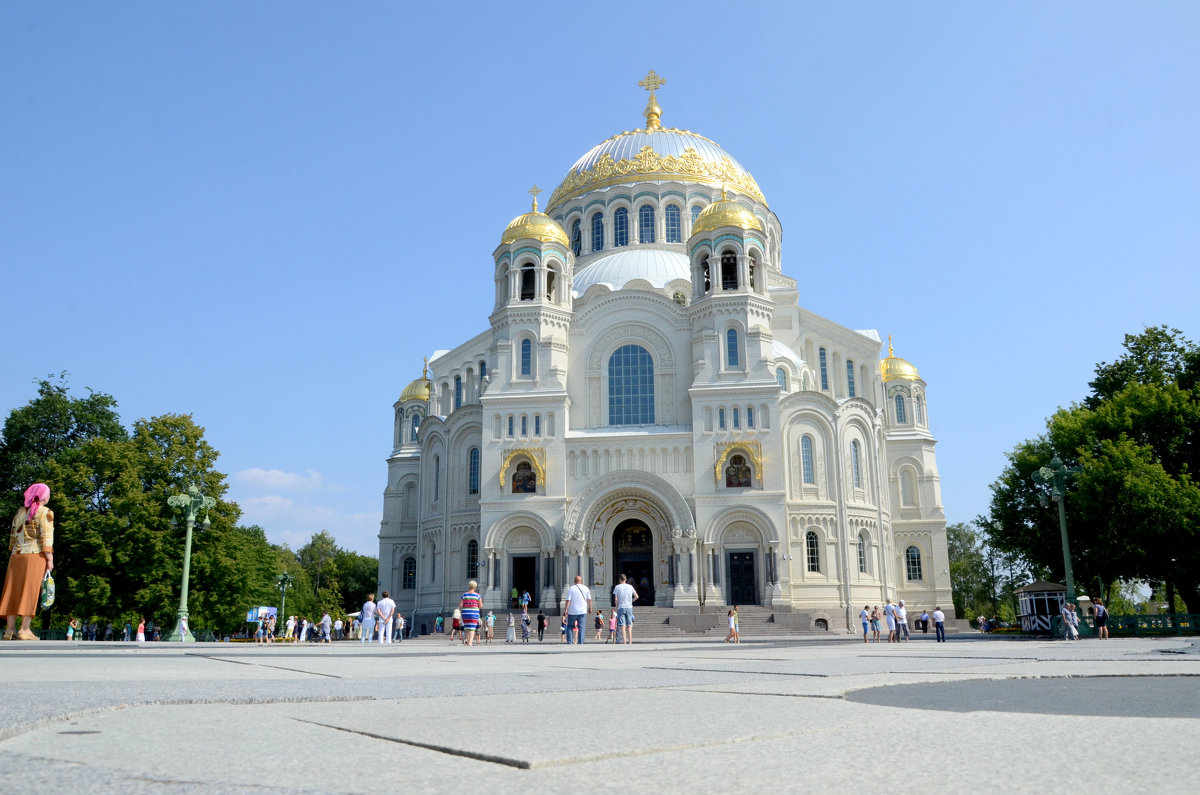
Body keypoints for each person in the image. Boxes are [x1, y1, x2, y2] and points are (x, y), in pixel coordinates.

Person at [2, 483, 54, 642]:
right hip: (35, 555)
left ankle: (9, 630)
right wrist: (49, 558)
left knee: (12, 591)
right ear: (44, 496)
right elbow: (46, 536)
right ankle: (25, 629)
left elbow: (12, 536)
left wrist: (13, 549)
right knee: (29, 592)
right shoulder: (46, 512)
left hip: (16, 556)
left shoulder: (20, 512)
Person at [563, 575, 592, 645]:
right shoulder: (586, 588)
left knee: (570, 626)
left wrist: (566, 609)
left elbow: (568, 600)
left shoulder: (571, 588)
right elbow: (589, 599)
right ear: (581, 581)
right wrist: (590, 607)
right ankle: (581, 642)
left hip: (572, 611)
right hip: (582, 611)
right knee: (581, 627)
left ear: (574, 581)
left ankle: (569, 642)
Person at [613, 573, 639, 644]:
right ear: (626, 579)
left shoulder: (617, 587)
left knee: (622, 625)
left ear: (619, 580)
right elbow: (636, 596)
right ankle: (630, 641)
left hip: (621, 607)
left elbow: (616, 599)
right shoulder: (630, 586)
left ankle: (624, 641)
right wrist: (631, 602)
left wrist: (616, 607)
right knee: (629, 625)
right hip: (629, 607)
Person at [459, 581, 482, 646]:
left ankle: (467, 641)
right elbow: (480, 606)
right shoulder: (478, 596)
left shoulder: (464, 595)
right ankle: (470, 642)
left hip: (465, 613)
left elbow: (460, 606)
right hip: (474, 613)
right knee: (472, 628)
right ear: (475, 587)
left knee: (466, 628)